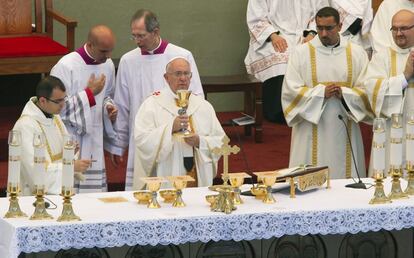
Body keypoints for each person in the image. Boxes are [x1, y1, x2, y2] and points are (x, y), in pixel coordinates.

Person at [106, 9, 204, 190]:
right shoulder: (128, 60)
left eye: (141, 36)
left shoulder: (181, 56)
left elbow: (197, 97)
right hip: (144, 137)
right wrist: (118, 144)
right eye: (133, 36)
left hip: (175, 137)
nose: (137, 41)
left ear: (156, 32)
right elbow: (122, 104)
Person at [282, 7, 373, 179]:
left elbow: (367, 90)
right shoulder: (301, 54)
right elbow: (290, 92)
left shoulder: (356, 53)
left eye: (329, 28)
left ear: (339, 26)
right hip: (309, 129)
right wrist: (320, 93)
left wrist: (345, 93)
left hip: (345, 125)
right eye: (319, 28)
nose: (323, 33)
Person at [133, 57, 225, 190]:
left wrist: (200, 141)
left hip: (198, 175)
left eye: (186, 73)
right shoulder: (152, 104)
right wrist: (170, 128)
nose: (183, 78)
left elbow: (221, 141)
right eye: (178, 74)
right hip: (167, 174)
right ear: (166, 77)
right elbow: (142, 140)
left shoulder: (203, 106)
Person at [50, 25, 117, 193]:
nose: (108, 56)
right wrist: (89, 94)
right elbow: (55, 108)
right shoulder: (65, 66)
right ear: (90, 44)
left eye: (110, 51)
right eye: (103, 51)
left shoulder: (108, 65)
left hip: (94, 137)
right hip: (71, 138)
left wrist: (109, 108)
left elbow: (108, 95)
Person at [244, 0, 329, 124]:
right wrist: (273, 36)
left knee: (312, 55)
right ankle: (278, 111)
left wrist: (312, 34)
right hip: (274, 35)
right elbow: (256, 18)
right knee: (280, 57)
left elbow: (322, 12)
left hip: (305, 35)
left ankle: (311, 108)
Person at [13, 76, 90, 196]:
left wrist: (70, 153)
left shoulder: (54, 118)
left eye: (64, 99)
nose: (63, 105)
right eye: (58, 101)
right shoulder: (26, 126)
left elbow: (59, 156)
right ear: (43, 101)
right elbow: (35, 171)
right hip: (33, 197)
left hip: (58, 194)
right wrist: (71, 167)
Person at [364, 9, 414, 175]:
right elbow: (372, 90)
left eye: (404, 28)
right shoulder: (382, 57)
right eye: (394, 29)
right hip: (393, 133)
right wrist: (404, 77)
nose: (398, 33)